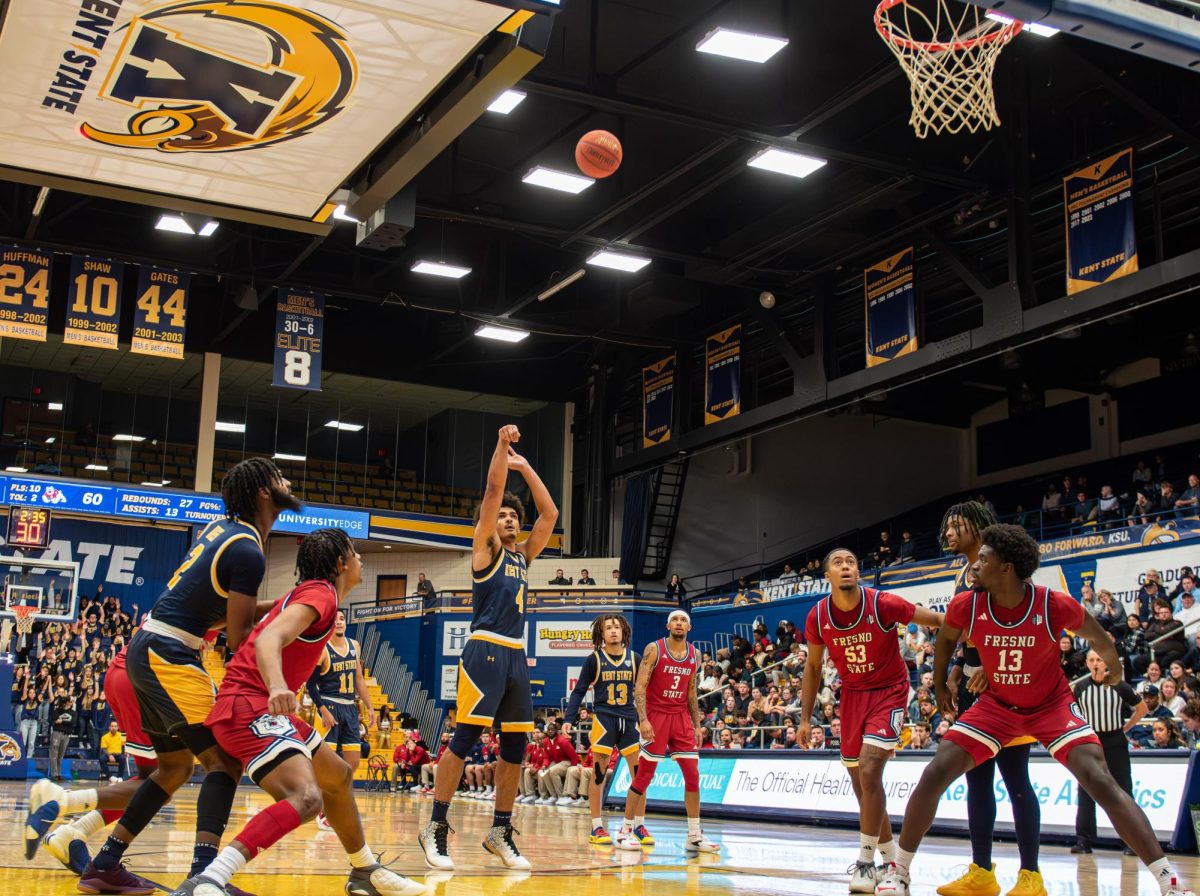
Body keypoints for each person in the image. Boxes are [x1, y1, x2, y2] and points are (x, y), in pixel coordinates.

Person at [875, 524, 1193, 896]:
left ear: (1007, 568)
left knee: (1100, 779)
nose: (974, 567)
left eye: (983, 560)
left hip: (1050, 705)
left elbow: (1096, 635)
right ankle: (899, 872)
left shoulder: (1051, 603)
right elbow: (945, 640)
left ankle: (1169, 882)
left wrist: (1117, 669)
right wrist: (945, 681)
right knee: (936, 770)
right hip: (997, 705)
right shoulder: (968, 603)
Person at [73, 458, 298, 895]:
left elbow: (215, 614)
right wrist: (290, 637)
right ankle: (203, 876)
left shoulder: (225, 532)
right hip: (169, 654)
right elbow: (237, 636)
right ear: (264, 493)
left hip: (152, 646)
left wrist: (281, 605)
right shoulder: (248, 551)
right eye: (279, 477)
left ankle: (103, 866)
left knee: (173, 767)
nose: (287, 481)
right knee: (224, 763)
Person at [167, 528, 423, 896]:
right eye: (355, 553)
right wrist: (276, 686)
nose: (360, 559)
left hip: (254, 704)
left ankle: (365, 871)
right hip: (248, 705)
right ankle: (209, 879)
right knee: (306, 798)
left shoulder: (306, 595)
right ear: (340, 562)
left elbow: (248, 623)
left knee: (337, 777)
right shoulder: (321, 594)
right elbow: (270, 638)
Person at [419, 424, 558, 871]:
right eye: (503, 516)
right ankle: (435, 826)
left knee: (515, 747)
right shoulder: (486, 549)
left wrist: (528, 466)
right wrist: (501, 446)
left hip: (516, 653)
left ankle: (500, 830)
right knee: (465, 738)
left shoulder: (523, 556)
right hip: (485, 650)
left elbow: (550, 514)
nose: (510, 519)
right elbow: (495, 488)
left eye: (514, 517)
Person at [799, 548, 943, 892]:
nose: (846, 566)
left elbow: (936, 621)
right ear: (827, 577)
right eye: (838, 563)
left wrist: (966, 638)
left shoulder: (882, 603)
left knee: (869, 768)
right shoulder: (818, 616)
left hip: (890, 691)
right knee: (861, 784)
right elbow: (814, 666)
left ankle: (865, 863)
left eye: (851, 562)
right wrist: (805, 719)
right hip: (852, 696)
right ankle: (890, 861)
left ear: (858, 572)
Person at [936, 501, 1043, 896]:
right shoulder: (965, 573)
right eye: (947, 527)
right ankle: (982, 871)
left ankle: (1030, 875)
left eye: (956, 526)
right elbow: (967, 632)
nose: (948, 533)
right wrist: (955, 670)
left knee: (1016, 780)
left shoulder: (1000, 568)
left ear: (978, 526)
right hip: (971, 686)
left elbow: (1017, 626)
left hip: (1007, 687)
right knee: (976, 780)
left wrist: (991, 667)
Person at [614, 610, 719, 854]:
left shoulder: (695, 654)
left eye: (684, 620)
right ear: (668, 624)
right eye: (675, 620)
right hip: (657, 717)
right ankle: (625, 831)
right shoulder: (655, 649)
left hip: (681, 717)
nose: (679, 624)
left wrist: (695, 724)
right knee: (644, 776)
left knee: (693, 776)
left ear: (689, 627)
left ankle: (694, 835)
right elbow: (639, 687)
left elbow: (691, 692)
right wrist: (644, 719)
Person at [564, 614, 641, 844]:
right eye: (608, 628)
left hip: (629, 719)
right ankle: (596, 827)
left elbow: (644, 693)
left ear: (624, 631)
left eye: (617, 626)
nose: (614, 631)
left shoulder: (635, 658)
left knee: (640, 775)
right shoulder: (594, 660)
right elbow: (579, 690)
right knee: (598, 776)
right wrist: (569, 718)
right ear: (601, 634)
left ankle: (639, 825)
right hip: (604, 719)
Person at [1072, 650, 1147, 854]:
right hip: (1090, 742)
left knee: (1123, 791)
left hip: (1115, 741)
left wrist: (1128, 726)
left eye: (1099, 659)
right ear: (1087, 664)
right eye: (1092, 660)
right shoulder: (1080, 687)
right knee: (1086, 792)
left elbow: (1142, 708)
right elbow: (1068, 711)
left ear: (1107, 663)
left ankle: (1131, 842)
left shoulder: (1119, 686)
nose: (1096, 664)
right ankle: (1083, 841)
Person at [306, 609, 374, 829]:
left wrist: (370, 706)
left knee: (352, 763)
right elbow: (310, 685)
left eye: (343, 619)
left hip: (350, 708)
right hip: (330, 706)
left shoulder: (354, 646)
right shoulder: (322, 649)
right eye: (335, 620)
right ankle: (324, 810)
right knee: (328, 765)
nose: (340, 622)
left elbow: (359, 680)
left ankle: (333, 802)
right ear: (329, 624)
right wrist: (323, 709)